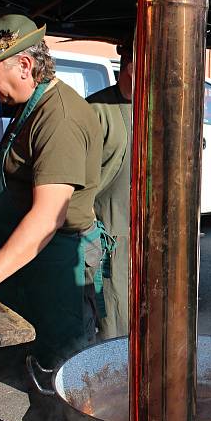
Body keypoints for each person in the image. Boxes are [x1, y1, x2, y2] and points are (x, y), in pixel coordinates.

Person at [0, 9, 107, 368]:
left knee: (60, 369)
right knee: (31, 365)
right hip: (34, 262)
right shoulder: (27, 104)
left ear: (25, 66)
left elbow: (47, 219)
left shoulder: (58, 116)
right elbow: (26, 168)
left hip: (59, 264)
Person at [87, 41, 133, 339]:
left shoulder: (161, 106)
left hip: (151, 238)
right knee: (114, 326)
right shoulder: (95, 110)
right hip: (111, 237)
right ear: (130, 66)